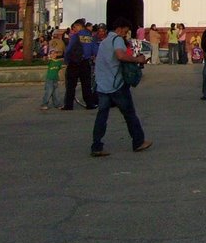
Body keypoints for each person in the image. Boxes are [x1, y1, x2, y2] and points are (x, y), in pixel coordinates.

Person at [90, 17, 152, 157]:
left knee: (102, 116)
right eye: (125, 31)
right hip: (116, 84)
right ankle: (138, 141)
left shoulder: (104, 41)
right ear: (119, 29)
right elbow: (120, 55)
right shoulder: (117, 39)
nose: (126, 34)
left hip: (102, 84)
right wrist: (138, 59)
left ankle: (96, 145)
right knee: (129, 114)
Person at [62, 19, 96, 110]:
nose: (74, 29)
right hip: (85, 63)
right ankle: (89, 103)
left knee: (71, 85)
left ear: (79, 26)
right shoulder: (90, 36)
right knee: (86, 84)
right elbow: (95, 50)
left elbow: (69, 50)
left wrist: (66, 60)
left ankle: (68, 105)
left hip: (74, 63)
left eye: (74, 27)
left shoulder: (75, 36)